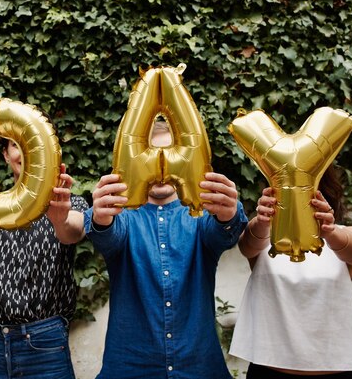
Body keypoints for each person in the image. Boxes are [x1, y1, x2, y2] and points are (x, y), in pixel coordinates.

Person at [84, 121, 249, 379]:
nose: (161, 168)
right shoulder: (122, 215)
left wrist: (228, 214)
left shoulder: (202, 213)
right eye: (151, 156)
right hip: (130, 368)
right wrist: (100, 218)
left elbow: (223, 234)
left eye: (170, 156)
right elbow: (107, 237)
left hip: (199, 368)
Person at [0, 137, 88, 379]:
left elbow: (72, 232)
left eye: (34, 143)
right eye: (15, 145)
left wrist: (60, 220)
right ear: (4, 155)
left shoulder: (69, 203)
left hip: (45, 343)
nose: (24, 151)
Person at [229, 164, 352, 378]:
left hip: (336, 371)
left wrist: (329, 231)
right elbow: (247, 245)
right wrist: (264, 221)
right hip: (269, 370)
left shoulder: (348, 233)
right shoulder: (264, 235)